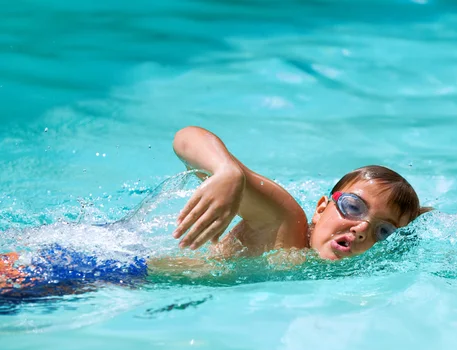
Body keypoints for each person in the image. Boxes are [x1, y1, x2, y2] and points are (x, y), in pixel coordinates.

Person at [0, 126, 430, 297]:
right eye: (353, 207)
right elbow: (186, 138)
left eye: (383, 232)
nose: (360, 229)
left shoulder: (322, 266)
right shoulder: (286, 223)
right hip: (82, 266)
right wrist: (227, 172)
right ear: (322, 207)